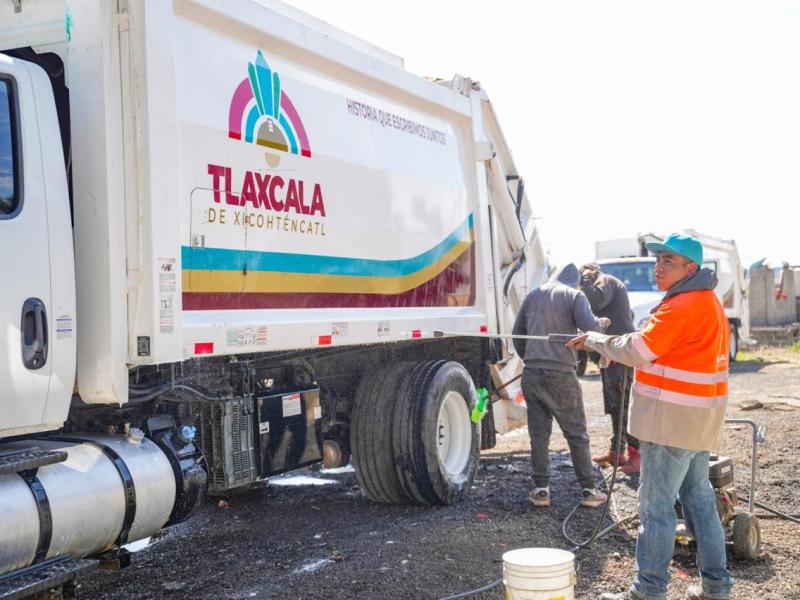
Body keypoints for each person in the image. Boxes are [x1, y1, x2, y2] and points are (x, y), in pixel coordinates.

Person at [567, 234, 733, 600]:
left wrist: (596, 340)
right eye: (657, 260)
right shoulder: (707, 302)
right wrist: (615, 350)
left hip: (672, 423)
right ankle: (717, 587)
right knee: (699, 502)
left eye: (668, 261)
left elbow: (641, 348)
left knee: (655, 509)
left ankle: (648, 592)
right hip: (698, 422)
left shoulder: (683, 306)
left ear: (691, 268)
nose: (658, 266)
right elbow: (663, 351)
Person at [512, 263, 610, 509]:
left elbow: (517, 334)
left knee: (539, 435)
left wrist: (531, 359)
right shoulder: (574, 295)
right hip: (560, 375)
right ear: (575, 281)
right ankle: (589, 490)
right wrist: (604, 323)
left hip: (532, 374)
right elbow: (591, 327)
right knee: (576, 434)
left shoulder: (534, 294)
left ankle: (541, 491)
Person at [579, 263, 641, 474]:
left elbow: (596, 301)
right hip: (611, 351)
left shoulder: (605, 281)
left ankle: (636, 454)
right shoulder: (610, 286)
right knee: (615, 405)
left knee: (624, 403)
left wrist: (585, 280)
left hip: (618, 352)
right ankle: (617, 452)